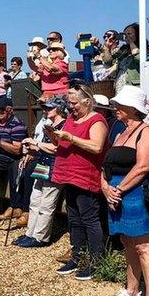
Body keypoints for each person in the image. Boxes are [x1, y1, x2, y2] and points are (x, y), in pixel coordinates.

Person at [100, 86, 149, 296]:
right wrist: (105, 187)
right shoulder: (120, 132)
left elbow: (143, 167)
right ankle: (132, 291)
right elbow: (106, 165)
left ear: (133, 108)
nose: (116, 109)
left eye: (120, 105)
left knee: (144, 246)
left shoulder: (146, 131)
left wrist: (118, 188)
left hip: (135, 192)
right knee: (127, 242)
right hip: (116, 192)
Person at [50, 84, 108, 280]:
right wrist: (55, 136)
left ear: (87, 101)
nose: (71, 107)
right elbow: (63, 143)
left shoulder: (97, 120)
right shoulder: (71, 119)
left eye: (74, 103)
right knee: (74, 218)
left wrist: (71, 137)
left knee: (90, 219)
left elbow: (97, 146)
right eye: (69, 103)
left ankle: (96, 260)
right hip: (69, 175)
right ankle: (77, 256)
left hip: (85, 176)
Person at [14, 96, 68, 247]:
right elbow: (44, 146)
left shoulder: (64, 126)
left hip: (56, 166)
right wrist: (32, 147)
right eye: (45, 108)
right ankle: (30, 233)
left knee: (47, 203)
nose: (45, 110)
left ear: (58, 109)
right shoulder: (47, 124)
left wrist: (36, 143)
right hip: (43, 163)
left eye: (49, 108)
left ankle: (41, 237)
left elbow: (58, 148)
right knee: (35, 199)